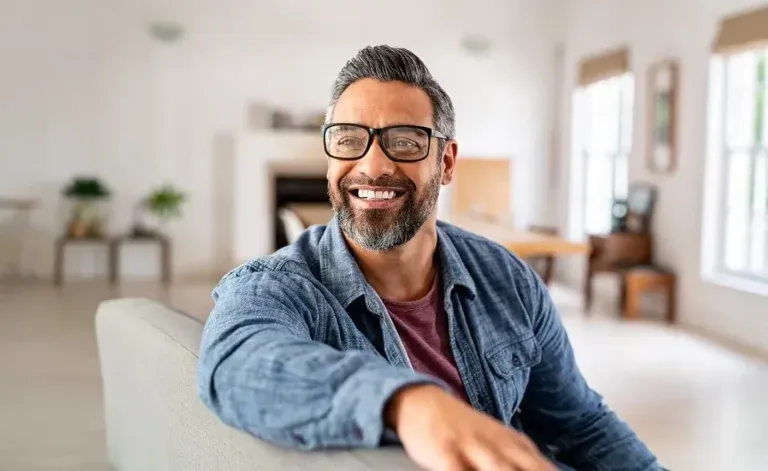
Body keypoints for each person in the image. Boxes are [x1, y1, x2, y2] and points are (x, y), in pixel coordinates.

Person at [197, 45, 663, 471]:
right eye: (347, 138)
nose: (373, 165)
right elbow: (235, 365)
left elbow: (579, 423)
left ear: (446, 163)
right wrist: (408, 403)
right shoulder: (277, 285)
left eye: (404, 141)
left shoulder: (509, 280)